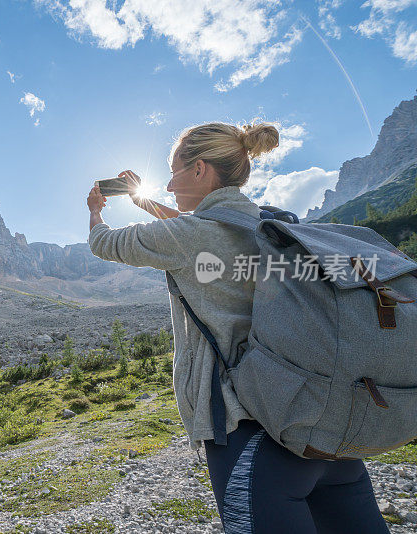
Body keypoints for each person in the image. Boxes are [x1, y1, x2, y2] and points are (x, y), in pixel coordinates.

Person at [86, 121, 390, 533]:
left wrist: (95, 212)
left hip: (253, 436)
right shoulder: (274, 226)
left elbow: (105, 243)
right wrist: (146, 203)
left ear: (199, 170)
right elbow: (199, 231)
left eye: (174, 171)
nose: (171, 184)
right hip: (328, 430)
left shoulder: (191, 235)